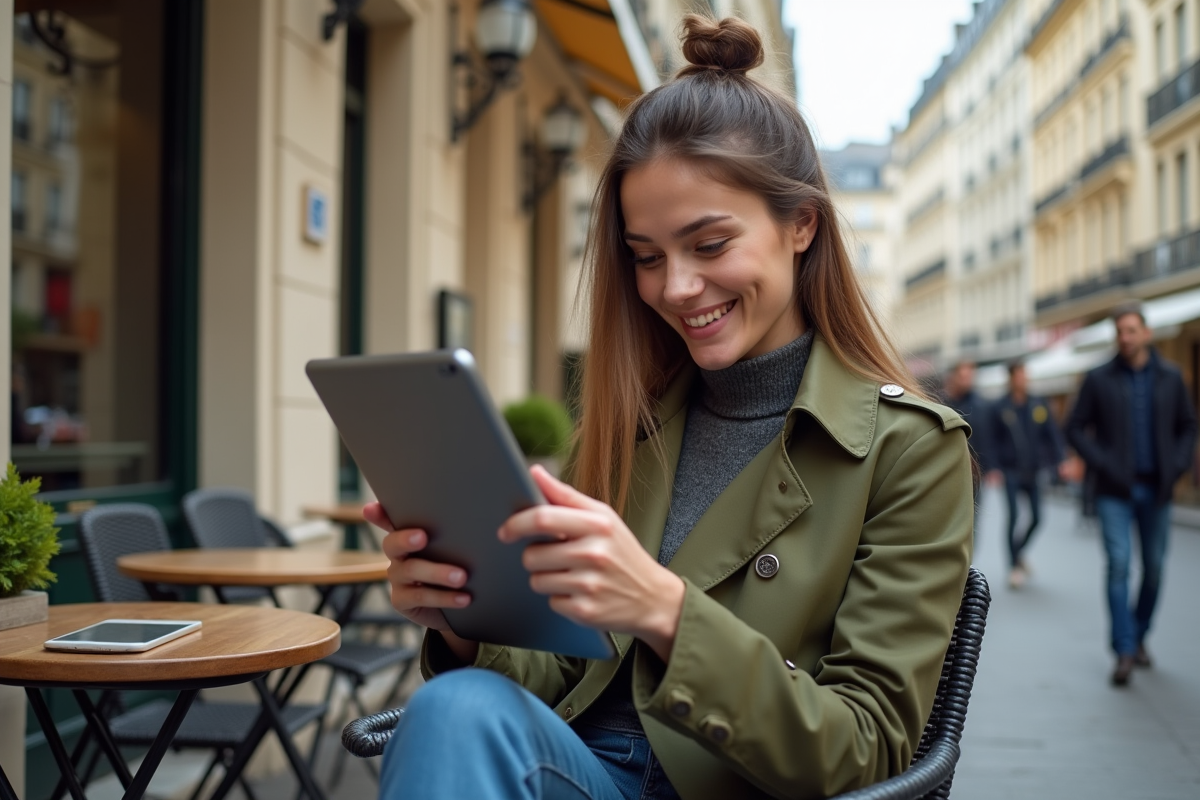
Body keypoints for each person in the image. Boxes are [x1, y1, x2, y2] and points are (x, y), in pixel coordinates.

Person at [368, 15, 974, 800]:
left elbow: (869, 750)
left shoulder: (911, 451)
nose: (676, 287)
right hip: (578, 771)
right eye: (646, 256)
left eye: (710, 244)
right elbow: (558, 676)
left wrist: (666, 611)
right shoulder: (633, 425)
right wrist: (461, 624)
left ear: (801, 224)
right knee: (453, 709)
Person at [1065, 303, 1197, 687]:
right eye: (1119, 331)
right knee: (1119, 563)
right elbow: (1073, 427)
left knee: (1154, 567)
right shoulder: (1098, 378)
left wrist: (1177, 465)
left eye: (1131, 330)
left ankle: (1139, 634)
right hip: (1114, 490)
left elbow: (1188, 426)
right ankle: (1123, 649)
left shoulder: (1171, 377)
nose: (1125, 338)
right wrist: (1101, 462)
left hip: (1158, 489)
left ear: (1146, 333)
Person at [983, 360, 1066, 589]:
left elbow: (1051, 433)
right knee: (1013, 517)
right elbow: (990, 440)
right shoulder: (999, 407)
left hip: (1033, 469)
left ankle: (1018, 553)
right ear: (1011, 378)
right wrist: (993, 467)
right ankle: (1013, 567)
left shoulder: (1037, 403)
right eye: (1019, 375)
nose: (1023, 379)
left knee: (1037, 518)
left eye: (1024, 375)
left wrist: (1060, 459)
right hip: (1010, 470)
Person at [939, 359, 989, 502]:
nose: (967, 381)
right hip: (949, 469)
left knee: (975, 509)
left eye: (970, 377)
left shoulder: (980, 404)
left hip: (975, 469)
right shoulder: (942, 402)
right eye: (963, 377)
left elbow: (986, 437)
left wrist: (989, 466)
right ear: (954, 377)